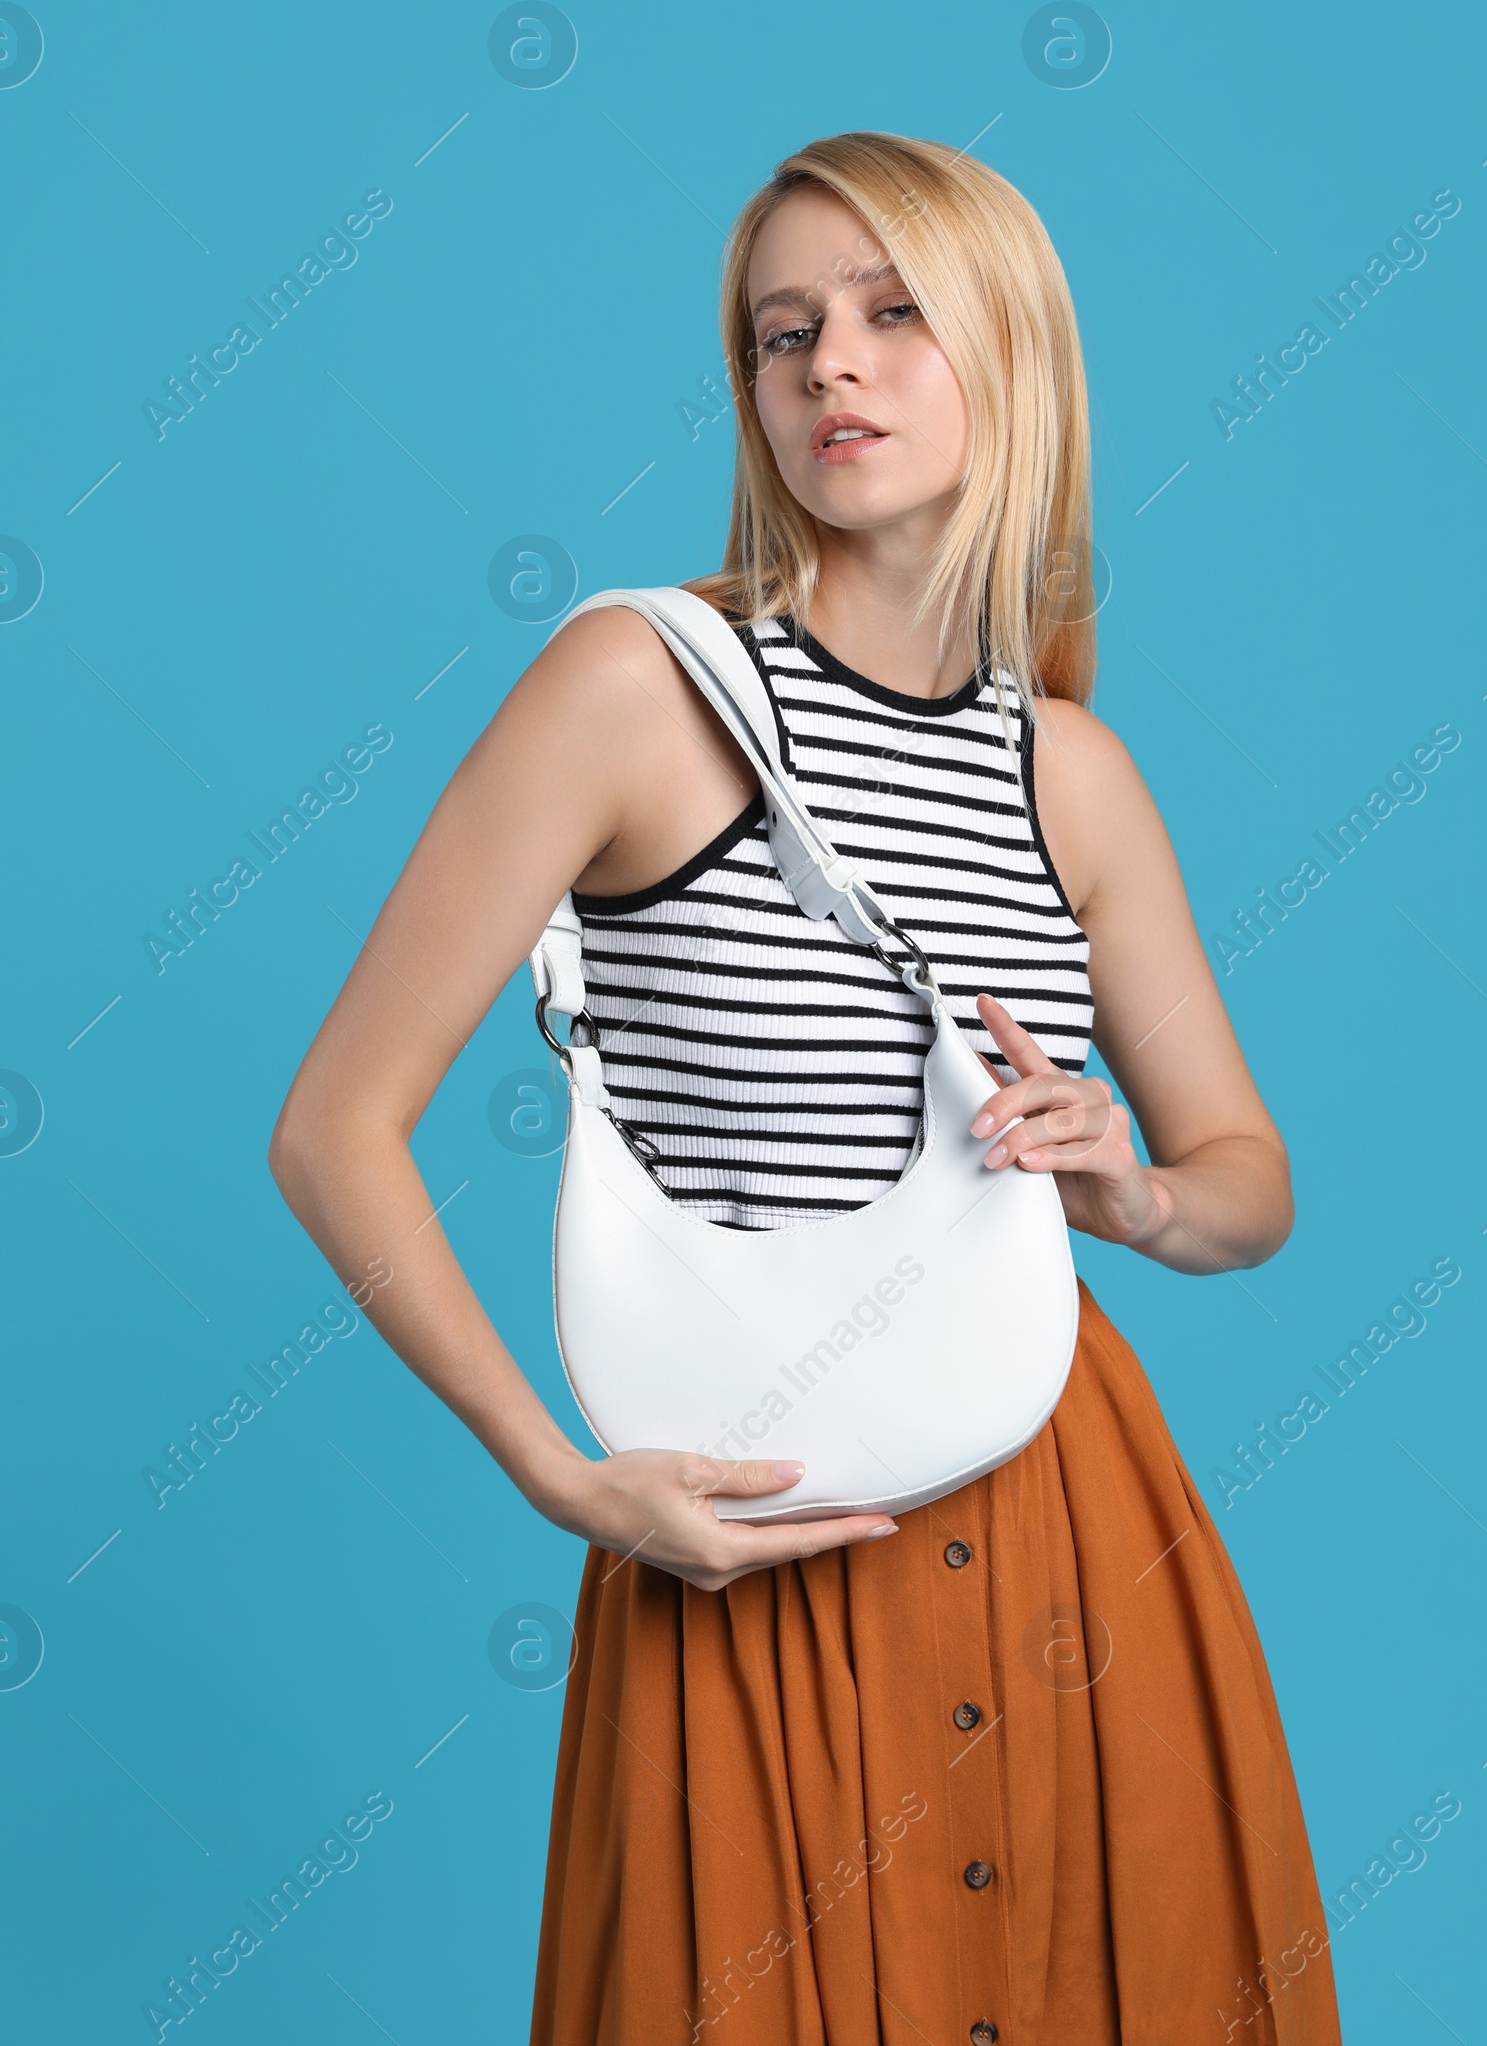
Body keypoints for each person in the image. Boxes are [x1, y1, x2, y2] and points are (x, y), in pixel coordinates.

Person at [270, 131, 1341, 2044]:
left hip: (1066, 1517)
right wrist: (566, 1479)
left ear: (1011, 353)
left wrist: (1136, 1186)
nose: (829, 366)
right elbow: (334, 1125)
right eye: (784, 334)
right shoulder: (635, 685)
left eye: (893, 312)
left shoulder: (1069, 774)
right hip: (739, 1531)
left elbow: (1248, 1182)